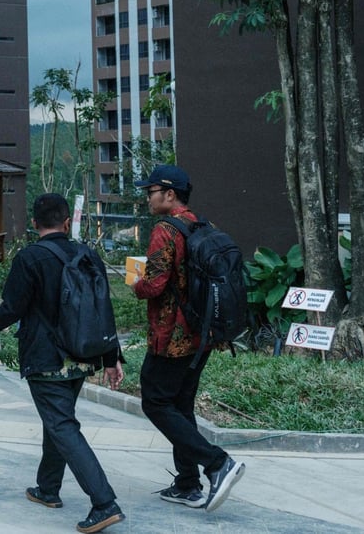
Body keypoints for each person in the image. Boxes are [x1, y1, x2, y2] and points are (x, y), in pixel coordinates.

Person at [0, 193, 126, 534]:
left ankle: (104, 503)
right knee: (58, 422)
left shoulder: (30, 258)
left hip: (46, 359)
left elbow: (12, 308)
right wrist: (112, 358)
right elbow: (104, 310)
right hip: (83, 356)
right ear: (67, 222)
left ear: (35, 224)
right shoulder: (88, 255)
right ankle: (48, 488)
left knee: (61, 425)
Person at [132, 164, 245, 512]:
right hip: (202, 336)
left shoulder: (165, 230)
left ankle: (216, 463)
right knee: (180, 406)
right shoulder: (202, 225)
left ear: (169, 194)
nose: (148, 198)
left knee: (155, 402)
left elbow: (153, 284)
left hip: (171, 337)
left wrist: (134, 283)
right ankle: (187, 483)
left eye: (151, 192)